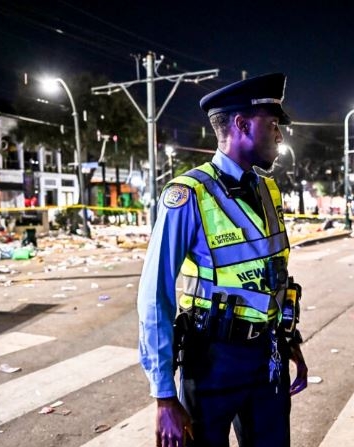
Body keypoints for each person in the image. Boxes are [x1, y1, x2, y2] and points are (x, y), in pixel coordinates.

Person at [137, 73, 308, 447]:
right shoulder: (187, 194)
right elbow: (155, 296)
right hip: (212, 360)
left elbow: (273, 274)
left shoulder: (268, 190)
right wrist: (164, 396)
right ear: (242, 124)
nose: (280, 136)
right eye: (273, 124)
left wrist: (289, 339)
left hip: (268, 357)